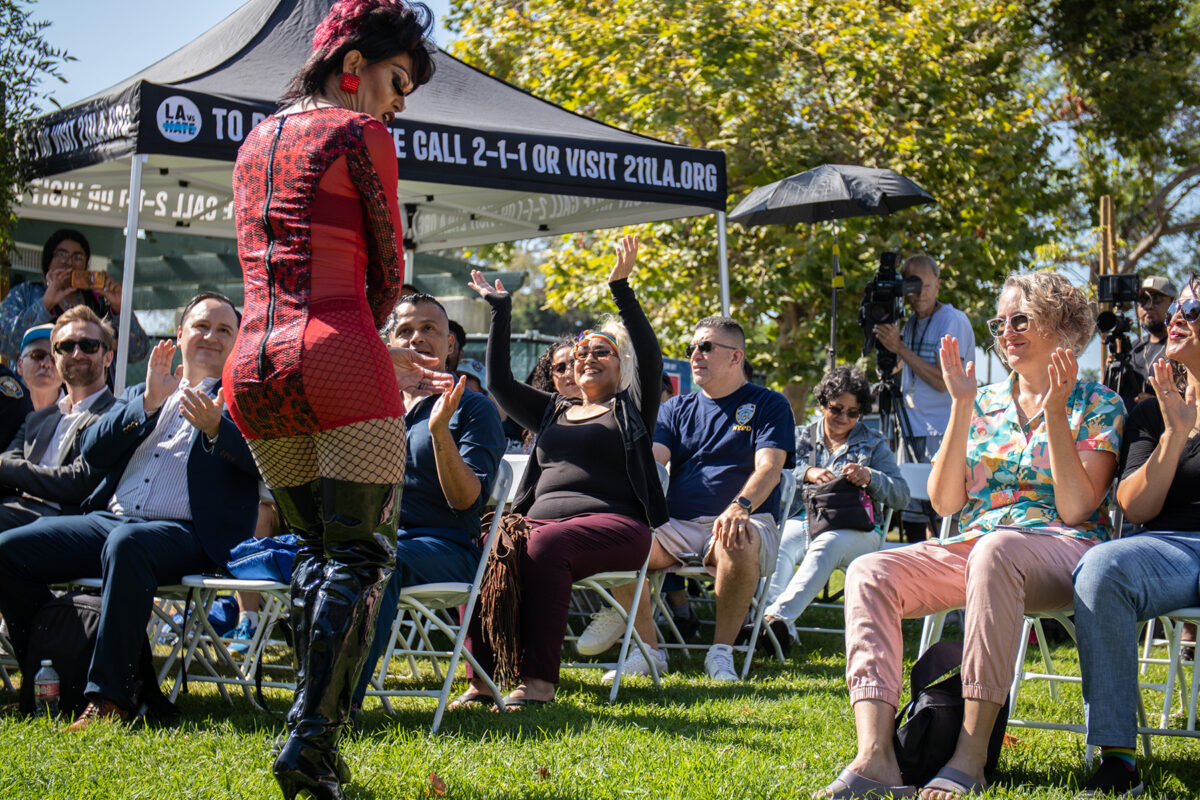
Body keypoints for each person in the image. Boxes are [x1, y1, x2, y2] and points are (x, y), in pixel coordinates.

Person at [223, 3, 442, 797]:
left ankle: (317, 742)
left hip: (251, 364)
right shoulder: (361, 134)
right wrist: (373, 324)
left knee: (320, 554)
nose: (398, 101)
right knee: (359, 554)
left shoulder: (254, 141)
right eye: (396, 80)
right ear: (352, 63)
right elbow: (387, 265)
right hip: (337, 348)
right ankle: (310, 743)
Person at [821, 271, 1124, 799]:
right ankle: (876, 757)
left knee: (996, 550)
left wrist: (1054, 411)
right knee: (870, 570)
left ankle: (971, 754)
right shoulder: (982, 400)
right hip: (977, 546)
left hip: (1062, 551)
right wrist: (961, 406)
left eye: (1021, 319)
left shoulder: (1098, 403)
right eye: (1000, 322)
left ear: (1063, 325)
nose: (1006, 331)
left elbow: (1077, 508)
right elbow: (944, 502)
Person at [0, 292, 258, 731]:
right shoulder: (145, 390)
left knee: (128, 543)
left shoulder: (246, 403)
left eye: (224, 330)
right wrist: (147, 405)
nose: (210, 336)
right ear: (179, 335)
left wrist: (218, 429)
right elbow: (94, 450)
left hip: (185, 533)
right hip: (111, 520)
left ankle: (110, 697)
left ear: (238, 343)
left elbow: (261, 463)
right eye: (200, 326)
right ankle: (56, 663)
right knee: (7, 549)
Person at [456, 233, 665, 708]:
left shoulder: (631, 409)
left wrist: (621, 288)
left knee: (546, 542)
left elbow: (651, 359)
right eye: (581, 354)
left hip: (617, 526)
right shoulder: (553, 410)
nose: (588, 359)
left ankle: (539, 682)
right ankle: (482, 679)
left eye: (601, 352)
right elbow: (498, 382)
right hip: (540, 523)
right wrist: (501, 310)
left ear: (621, 366)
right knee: (490, 542)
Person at [594, 315, 796, 683]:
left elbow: (770, 467)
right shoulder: (675, 409)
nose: (695, 355)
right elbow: (651, 462)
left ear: (736, 357)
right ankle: (649, 652)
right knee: (619, 539)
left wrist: (741, 506)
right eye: (692, 348)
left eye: (706, 347)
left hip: (747, 519)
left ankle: (721, 653)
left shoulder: (770, 404)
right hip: (678, 525)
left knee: (739, 535)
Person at [1069, 275, 1200, 798]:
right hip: (1168, 548)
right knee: (1101, 567)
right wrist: (1173, 434)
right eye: (1178, 306)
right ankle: (1119, 759)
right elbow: (1134, 505)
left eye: (1193, 306)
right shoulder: (1150, 411)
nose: (1177, 315)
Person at [350, 292, 504, 709]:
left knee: (374, 561)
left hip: (444, 546)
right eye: (405, 330)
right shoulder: (371, 404)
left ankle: (337, 705)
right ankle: (313, 689)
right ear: (390, 342)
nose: (417, 337)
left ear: (449, 344)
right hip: (372, 537)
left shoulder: (471, 408)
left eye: (429, 329)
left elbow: (467, 501)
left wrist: (440, 434)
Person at [760, 366, 909, 655]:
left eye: (853, 413)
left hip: (857, 529)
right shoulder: (798, 437)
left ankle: (774, 620)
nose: (843, 418)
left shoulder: (874, 442)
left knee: (826, 544)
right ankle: (775, 632)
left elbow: (901, 495)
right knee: (776, 543)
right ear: (822, 403)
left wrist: (870, 477)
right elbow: (771, 473)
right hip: (802, 520)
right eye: (837, 409)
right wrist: (807, 473)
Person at [872, 254, 974, 542]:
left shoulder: (952, 320)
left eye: (925, 287)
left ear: (938, 285)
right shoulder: (910, 324)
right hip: (911, 430)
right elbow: (900, 367)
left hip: (942, 430)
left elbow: (945, 382)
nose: (918, 295)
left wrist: (900, 348)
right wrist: (884, 347)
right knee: (913, 512)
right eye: (912, 288)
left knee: (945, 513)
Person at [0, 306, 117, 531]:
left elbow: (76, 483)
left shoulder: (114, 416)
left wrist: (12, 469)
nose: (76, 354)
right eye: (66, 347)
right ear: (57, 357)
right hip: (16, 511)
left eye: (88, 346)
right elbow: (8, 460)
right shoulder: (37, 418)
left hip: (65, 525)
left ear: (108, 357)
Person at [0, 228, 149, 366]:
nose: (69, 262)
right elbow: (5, 345)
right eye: (61, 254)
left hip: (94, 393)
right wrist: (45, 303)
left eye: (77, 257)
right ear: (48, 261)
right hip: (41, 391)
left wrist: (120, 309)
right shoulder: (25, 293)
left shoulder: (100, 301)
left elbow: (138, 352)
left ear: (86, 263)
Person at [1128, 275, 1178, 404]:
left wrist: (1158, 402)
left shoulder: (1181, 346)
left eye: (1156, 300)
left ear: (1173, 303)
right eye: (1143, 301)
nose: (1149, 306)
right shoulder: (1131, 349)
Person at [15, 323, 62, 411]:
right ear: (20, 365)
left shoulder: (79, 417)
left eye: (55, 359)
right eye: (38, 355)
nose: (47, 363)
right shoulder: (5, 412)